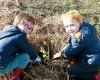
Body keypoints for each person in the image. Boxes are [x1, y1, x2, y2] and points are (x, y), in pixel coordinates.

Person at [53, 10, 100, 80]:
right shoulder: (87, 27)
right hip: (95, 56)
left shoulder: (79, 36)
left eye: (72, 25)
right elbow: (73, 45)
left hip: (93, 62)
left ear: (80, 23)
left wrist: (61, 54)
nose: (69, 29)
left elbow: (69, 52)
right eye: (66, 26)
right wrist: (62, 51)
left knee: (71, 71)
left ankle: (95, 76)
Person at [0, 12, 42, 80]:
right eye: (26, 25)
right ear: (16, 24)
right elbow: (30, 51)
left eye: (31, 28)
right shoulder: (20, 37)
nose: (28, 29)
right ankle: (14, 76)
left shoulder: (6, 30)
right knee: (25, 57)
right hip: (1, 68)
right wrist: (37, 59)